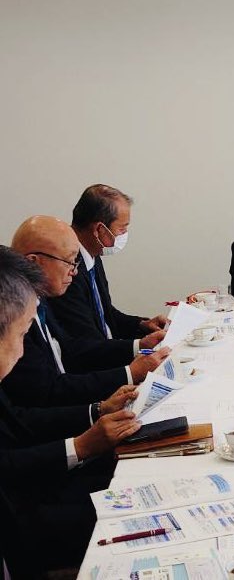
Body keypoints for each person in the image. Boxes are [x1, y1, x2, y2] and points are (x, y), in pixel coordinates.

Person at [0, 246, 141, 575]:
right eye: (21, 334)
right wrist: (80, 446)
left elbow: (17, 424)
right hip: (23, 511)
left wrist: (96, 413)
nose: (21, 351)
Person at [4, 216, 169, 408]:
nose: (74, 271)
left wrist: (138, 347)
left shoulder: (42, 298)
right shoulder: (12, 315)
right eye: (69, 262)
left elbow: (72, 350)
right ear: (34, 262)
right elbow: (44, 393)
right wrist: (125, 378)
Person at [50, 184, 169, 340]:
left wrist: (142, 325)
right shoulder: (68, 271)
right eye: (122, 228)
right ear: (99, 230)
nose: (125, 234)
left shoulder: (92, 255)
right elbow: (86, 344)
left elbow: (107, 315)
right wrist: (139, 346)